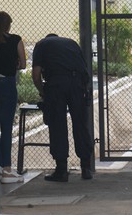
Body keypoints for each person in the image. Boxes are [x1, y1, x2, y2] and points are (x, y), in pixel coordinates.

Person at [32, 34, 93, 182]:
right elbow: (84, 68)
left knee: (57, 124)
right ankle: (86, 167)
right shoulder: (71, 43)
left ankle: (61, 170)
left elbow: (36, 74)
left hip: (56, 84)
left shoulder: (41, 45)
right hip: (77, 84)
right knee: (80, 123)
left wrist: (43, 91)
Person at [0, 11, 26, 184]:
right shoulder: (15, 39)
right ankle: (7, 169)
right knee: (6, 127)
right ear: (8, 25)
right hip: (7, 84)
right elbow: (23, 63)